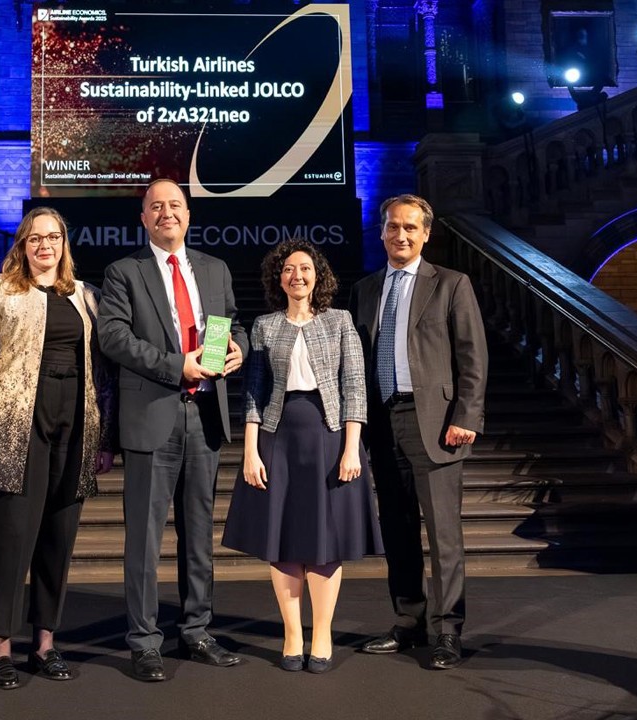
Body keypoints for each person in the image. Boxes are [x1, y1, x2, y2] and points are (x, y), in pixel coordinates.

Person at [0, 207, 117, 688]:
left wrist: (105, 438)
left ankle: (45, 643)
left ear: (65, 243)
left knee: (58, 538)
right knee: (10, 539)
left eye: (54, 237)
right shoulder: (0, 290)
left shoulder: (87, 296)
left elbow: (104, 374)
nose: (46, 245)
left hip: (76, 424)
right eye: (35, 238)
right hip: (15, 425)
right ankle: (0, 647)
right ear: (22, 246)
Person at [98, 178, 248, 682]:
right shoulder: (124, 271)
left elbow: (233, 324)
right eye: (156, 206)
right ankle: (144, 641)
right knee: (144, 538)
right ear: (143, 218)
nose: (167, 212)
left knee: (199, 534)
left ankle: (196, 631)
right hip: (152, 416)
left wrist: (238, 348)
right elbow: (113, 336)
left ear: (189, 214)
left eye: (176, 205)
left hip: (204, 416)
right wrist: (174, 366)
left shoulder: (215, 268)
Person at [222, 239, 382, 674]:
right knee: (283, 539)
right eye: (289, 269)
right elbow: (253, 393)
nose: (297, 275)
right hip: (277, 439)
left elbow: (355, 387)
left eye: (305, 268)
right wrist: (250, 451)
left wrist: (352, 447)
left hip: (329, 438)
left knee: (325, 541)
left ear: (318, 276)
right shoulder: (264, 326)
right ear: (279, 278)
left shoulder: (340, 321)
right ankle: (293, 634)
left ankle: (322, 633)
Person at [349, 194, 488, 670]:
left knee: (443, 535)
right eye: (393, 226)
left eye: (410, 227)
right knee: (398, 530)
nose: (401, 235)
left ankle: (447, 631)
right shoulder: (365, 290)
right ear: (381, 232)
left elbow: (472, 356)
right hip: (383, 423)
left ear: (426, 233)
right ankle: (409, 621)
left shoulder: (451, 284)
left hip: (437, 424)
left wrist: (467, 416)